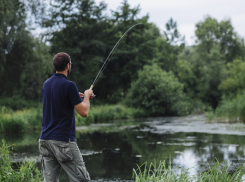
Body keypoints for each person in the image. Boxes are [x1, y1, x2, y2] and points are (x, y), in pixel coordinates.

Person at [39, 52, 93, 182]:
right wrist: (87, 95)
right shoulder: (69, 85)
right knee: (82, 180)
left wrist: (74, 96)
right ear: (68, 66)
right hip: (63, 141)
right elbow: (84, 112)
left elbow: (60, 99)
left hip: (45, 140)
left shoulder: (46, 84)